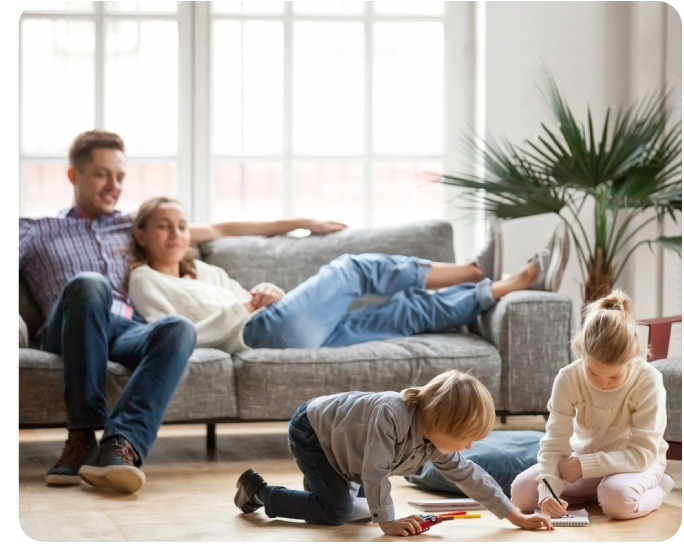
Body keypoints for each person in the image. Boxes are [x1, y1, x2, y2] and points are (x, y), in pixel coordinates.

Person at [17, 130, 344, 493]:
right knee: (89, 283)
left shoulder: (129, 225)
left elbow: (221, 228)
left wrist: (300, 223)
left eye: (120, 176)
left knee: (177, 327)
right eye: (101, 174)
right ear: (73, 175)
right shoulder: (34, 231)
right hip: (68, 329)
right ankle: (81, 437)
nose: (113, 185)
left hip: (125, 328)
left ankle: (119, 447)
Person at [127, 197, 571, 354]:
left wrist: (264, 291)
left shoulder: (204, 269)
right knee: (353, 268)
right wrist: (246, 307)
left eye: (181, 225)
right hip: (258, 333)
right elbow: (171, 334)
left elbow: (250, 297)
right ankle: (473, 270)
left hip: (282, 324)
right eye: (163, 225)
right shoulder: (145, 280)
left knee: (404, 313)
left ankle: (508, 284)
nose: (175, 233)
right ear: (142, 234)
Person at [232, 370, 553, 535]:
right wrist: (388, 522)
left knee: (352, 510)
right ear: (442, 423)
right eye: (465, 439)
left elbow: (472, 477)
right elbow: (375, 471)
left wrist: (516, 516)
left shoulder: (435, 441)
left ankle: (321, 492)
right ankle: (259, 492)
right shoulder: (391, 416)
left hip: (347, 450)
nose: (468, 447)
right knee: (338, 512)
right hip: (313, 433)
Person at [510, 289, 675, 519]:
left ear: (634, 358)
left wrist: (583, 466)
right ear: (581, 351)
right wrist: (548, 492)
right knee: (521, 494)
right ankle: (595, 492)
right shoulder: (568, 377)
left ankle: (656, 490)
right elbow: (554, 444)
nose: (603, 383)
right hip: (585, 458)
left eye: (614, 377)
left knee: (617, 501)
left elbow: (642, 454)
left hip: (637, 463)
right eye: (593, 373)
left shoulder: (648, 380)